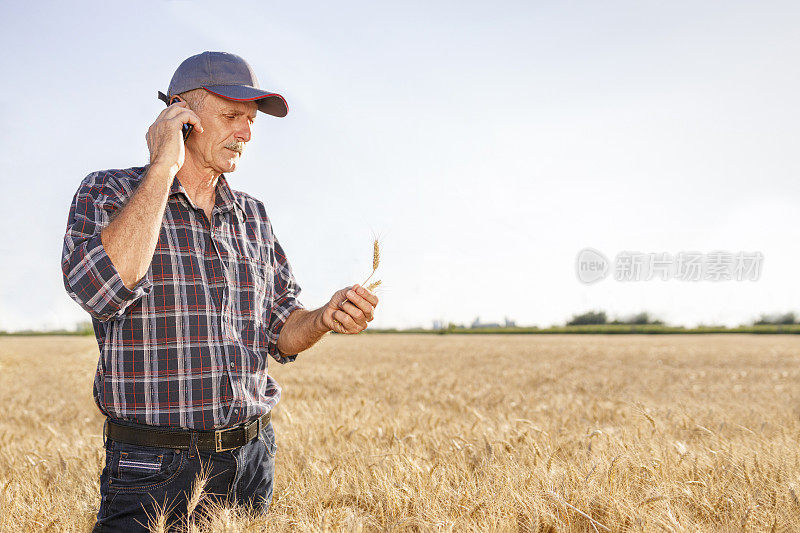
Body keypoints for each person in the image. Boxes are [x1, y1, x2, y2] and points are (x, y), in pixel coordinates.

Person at [60, 51, 379, 531]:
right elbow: (101, 289)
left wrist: (323, 317)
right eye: (232, 116)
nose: (246, 134)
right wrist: (163, 169)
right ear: (181, 118)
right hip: (152, 470)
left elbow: (279, 331)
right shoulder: (107, 193)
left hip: (250, 463)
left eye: (250, 121)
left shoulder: (252, 215)